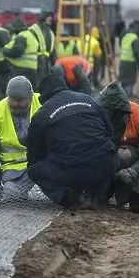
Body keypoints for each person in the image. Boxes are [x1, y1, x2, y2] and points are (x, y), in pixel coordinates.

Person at [25, 71, 119, 209]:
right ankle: (98, 195)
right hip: (104, 166)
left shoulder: (41, 115)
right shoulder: (90, 100)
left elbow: (34, 154)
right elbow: (110, 134)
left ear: (43, 96)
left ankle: (71, 197)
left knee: (34, 169)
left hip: (72, 172)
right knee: (109, 153)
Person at [98, 82, 139, 214]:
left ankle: (134, 198)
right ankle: (101, 194)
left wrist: (133, 172)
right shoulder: (95, 115)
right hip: (103, 160)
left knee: (123, 155)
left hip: (129, 157)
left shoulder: (137, 114)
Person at [0, 76, 42, 201]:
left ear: (30, 98)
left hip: (44, 162)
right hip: (16, 169)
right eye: (13, 99)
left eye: (20, 100)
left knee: (63, 191)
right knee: (11, 196)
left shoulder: (43, 103)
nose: (16, 103)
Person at [2, 17, 39, 88]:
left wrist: (5, 51)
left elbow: (17, 51)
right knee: (30, 91)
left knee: (17, 90)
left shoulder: (21, 36)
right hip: (32, 68)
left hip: (21, 69)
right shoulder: (30, 35)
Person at [30, 10, 57, 84]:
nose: (51, 19)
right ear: (44, 18)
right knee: (38, 85)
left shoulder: (49, 31)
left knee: (46, 85)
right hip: (37, 63)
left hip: (47, 64)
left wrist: (55, 63)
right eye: (49, 17)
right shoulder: (33, 30)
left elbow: (52, 50)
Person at [119, 19, 139, 98]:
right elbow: (137, 52)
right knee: (130, 81)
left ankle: (123, 95)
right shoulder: (134, 38)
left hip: (123, 61)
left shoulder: (124, 36)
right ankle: (129, 96)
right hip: (131, 63)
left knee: (124, 80)